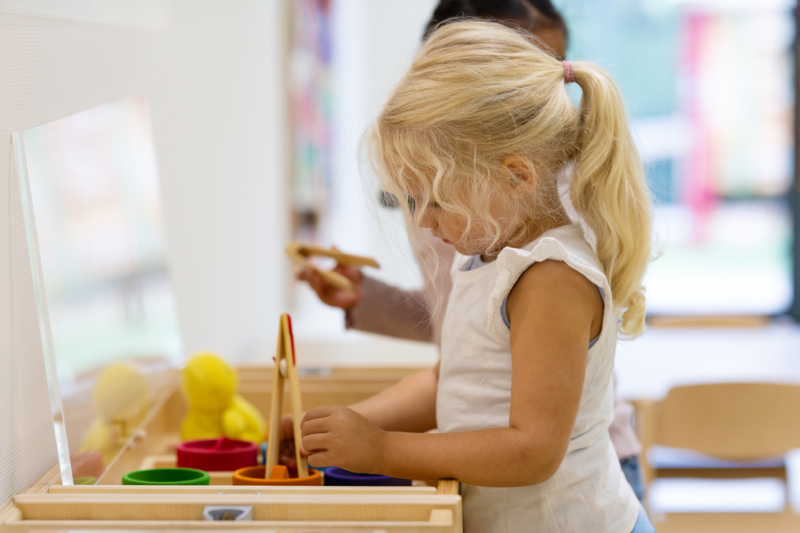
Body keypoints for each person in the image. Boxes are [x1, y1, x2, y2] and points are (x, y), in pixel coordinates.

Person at [290, 19, 656, 533]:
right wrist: (341, 427)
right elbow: (450, 382)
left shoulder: (551, 278)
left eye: (437, 200)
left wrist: (383, 450)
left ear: (516, 177)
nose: (423, 221)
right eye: (413, 200)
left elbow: (532, 450)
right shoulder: (487, 257)